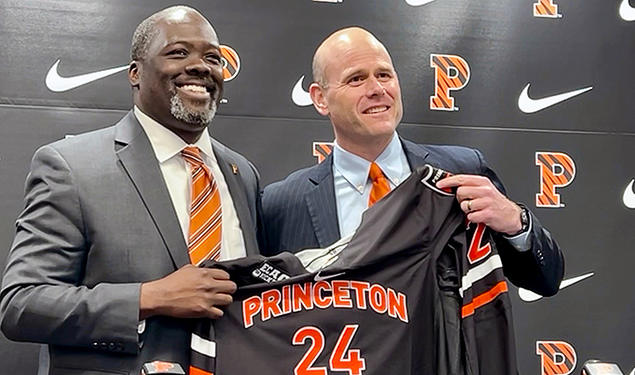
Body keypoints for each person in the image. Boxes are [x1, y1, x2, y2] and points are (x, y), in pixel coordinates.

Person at [0, 6, 260, 374]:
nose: (201, 66)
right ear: (136, 74)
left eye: (213, 58)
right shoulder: (71, 166)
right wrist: (148, 298)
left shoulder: (242, 173)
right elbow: (22, 305)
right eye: (178, 53)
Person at [261, 27, 563, 296]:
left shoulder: (463, 170)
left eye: (384, 74)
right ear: (319, 98)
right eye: (356, 79)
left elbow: (545, 280)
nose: (377, 89)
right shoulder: (282, 205)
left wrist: (516, 223)